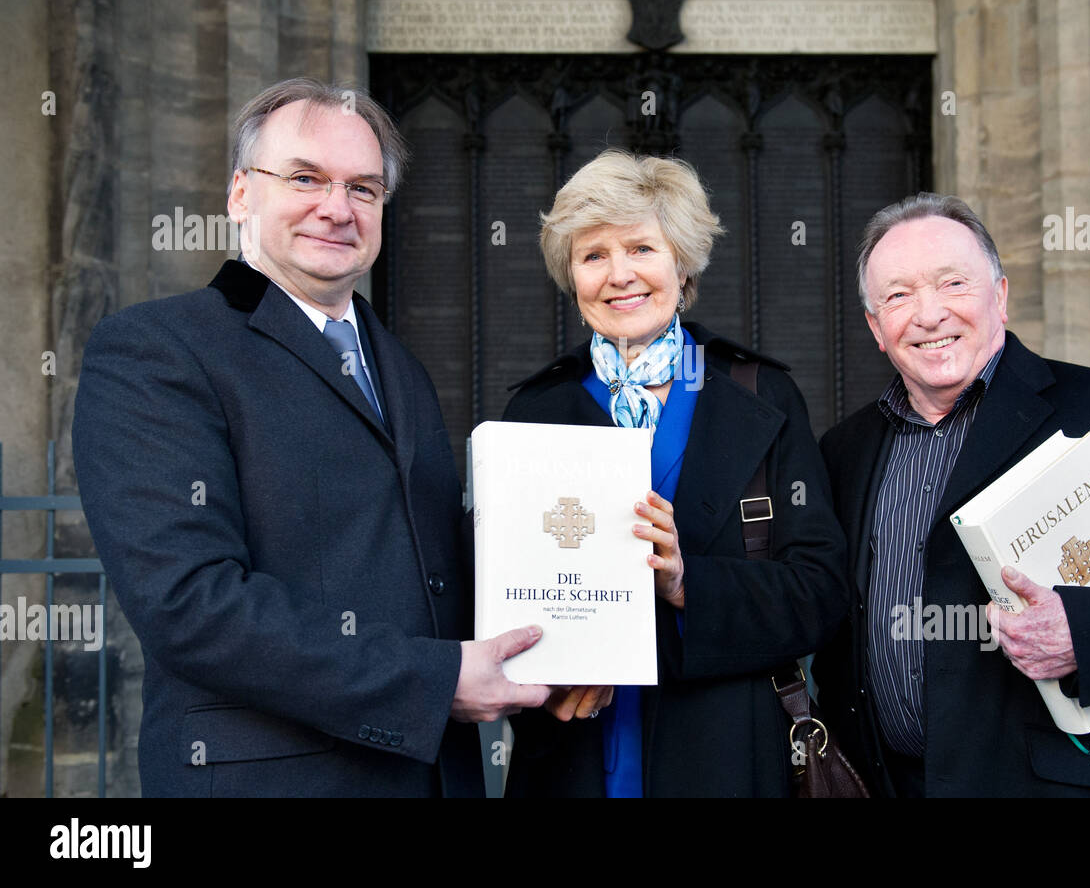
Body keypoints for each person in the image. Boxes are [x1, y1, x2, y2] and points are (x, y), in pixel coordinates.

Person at [71, 78, 549, 797]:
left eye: (363, 188)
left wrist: (585, 616)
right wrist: (435, 679)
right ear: (240, 195)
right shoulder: (157, 350)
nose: (337, 207)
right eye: (305, 178)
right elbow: (191, 604)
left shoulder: (402, 369)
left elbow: (428, 571)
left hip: (432, 778)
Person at [813, 193, 1090, 797]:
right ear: (875, 328)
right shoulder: (844, 450)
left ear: (999, 295)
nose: (928, 314)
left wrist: (1083, 630)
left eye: (952, 284)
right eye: (898, 296)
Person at [501, 150, 849, 797]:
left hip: (725, 755)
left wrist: (691, 583)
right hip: (576, 758)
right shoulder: (535, 409)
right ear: (571, 275)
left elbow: (820, 591)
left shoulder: (762, 395)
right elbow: (498, 591)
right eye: (593, 255)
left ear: (681, 262)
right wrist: (543, 680)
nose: (619, 275)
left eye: (641, 248)